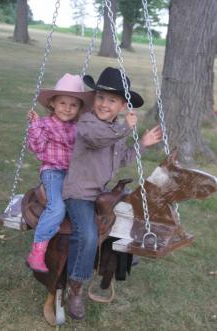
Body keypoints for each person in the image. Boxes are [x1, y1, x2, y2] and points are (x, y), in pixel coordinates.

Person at [62, 67, 163, 320]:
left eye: (112, 100)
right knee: (86, 234)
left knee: (132, 209)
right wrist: (126, 130)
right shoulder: (87, 121)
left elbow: (121, 159)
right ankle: (75, 287)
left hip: (102, 192)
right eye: (101, 97)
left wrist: (142, 144)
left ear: (121, 106)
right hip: (80, 193)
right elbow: (97, 140)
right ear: (94, 98)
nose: (104, 104)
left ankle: (122, 256)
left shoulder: (116, 127)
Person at [26, 73, 94, 273]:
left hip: (74, 174)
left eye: (73, 105)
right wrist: (35, 126)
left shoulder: (79, 127)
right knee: (56, 207)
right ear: (52, 104)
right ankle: (37, 252)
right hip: (53, 172)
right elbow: (36, 148)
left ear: (80, 108)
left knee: (94, 202)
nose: (67, 108)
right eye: (62, 103)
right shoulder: (45, 124)